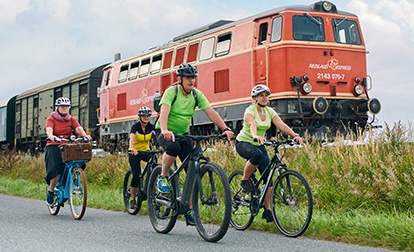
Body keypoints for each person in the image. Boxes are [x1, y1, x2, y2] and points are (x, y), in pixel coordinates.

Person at [155, 63, 235, 225]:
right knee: (173, 147)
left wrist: (225, 128)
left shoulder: (196, 95)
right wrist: (164, 129)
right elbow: (164, 111)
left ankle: (190, 208)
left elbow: (211, 112)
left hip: (183, 134)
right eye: (188, 78)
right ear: (181, 79)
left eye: (193, 78)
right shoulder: (172, 92)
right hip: (165, 132)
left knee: (193, 169)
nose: (191, 81)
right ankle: (163, 177)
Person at [235, 84, 303, 222]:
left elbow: (281, 125)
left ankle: (267, 210)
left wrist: (294, 135)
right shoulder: (250, 110)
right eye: (261, 95)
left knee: (268, 179)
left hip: (260, 144)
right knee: (257, 155)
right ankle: (245, 180)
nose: (265, 98)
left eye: (266, 95)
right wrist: (255, 135)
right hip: (244, 143)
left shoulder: (270, 111)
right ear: (255, 98)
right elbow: (252, 124)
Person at [44, 97, 91, 205]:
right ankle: (51, 191)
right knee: (56, 169)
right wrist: (52, 136)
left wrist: (85, 135)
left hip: (68, 145)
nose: (65, 109)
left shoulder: (71, 119)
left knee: (79, 159)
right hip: (54, 144)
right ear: (58, 107)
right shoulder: (51, 118)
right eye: (62, 107)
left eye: (67, 107)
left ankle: (75, 177)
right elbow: (49, 129)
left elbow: (78, 128)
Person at [126, 106, 155, 210]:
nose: (146, 117)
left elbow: (157, 138)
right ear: (140, 117)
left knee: (155, 164)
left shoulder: (151, 127)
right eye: (144, 116)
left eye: (148, 116)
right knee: (136, 174)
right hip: (135, 152)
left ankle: (152, 184)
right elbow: (132, 137)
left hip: (146, 151)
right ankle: (133, 198)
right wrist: (131, 147)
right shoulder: (135, 127)